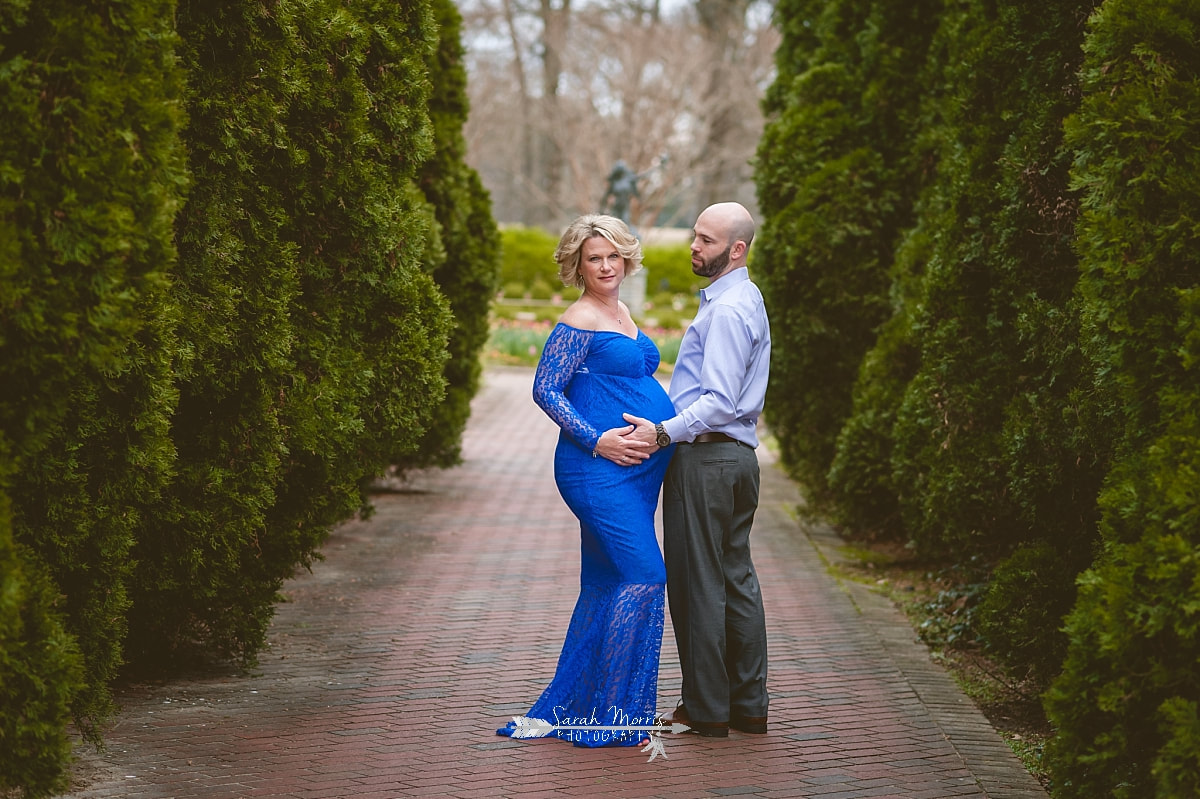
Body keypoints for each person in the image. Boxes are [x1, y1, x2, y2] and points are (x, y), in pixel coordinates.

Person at [496, 214, 673, 747]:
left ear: (626, 258)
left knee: (604, 583)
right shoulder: (577, 319)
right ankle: (611, 713)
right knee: (646, 576)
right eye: (594, 258)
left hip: (635, 476)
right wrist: (598, 438)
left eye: (613, 255)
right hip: (597, 472)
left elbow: (630, 376)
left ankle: (576, 706)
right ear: (578, 264)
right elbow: (546, 390)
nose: (605, 265)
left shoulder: (619, 311)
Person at [622, 201, 771, 738]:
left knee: (698, 584)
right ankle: (748, 706)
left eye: (706, 240)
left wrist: (662, 432)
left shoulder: (728, 309)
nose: (694, 246)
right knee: (736, 578)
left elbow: (719, 401)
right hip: (735, 460)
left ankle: (707, 710)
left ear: (736, 250)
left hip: (707, 458)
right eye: (695, 235)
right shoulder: (744, 298)